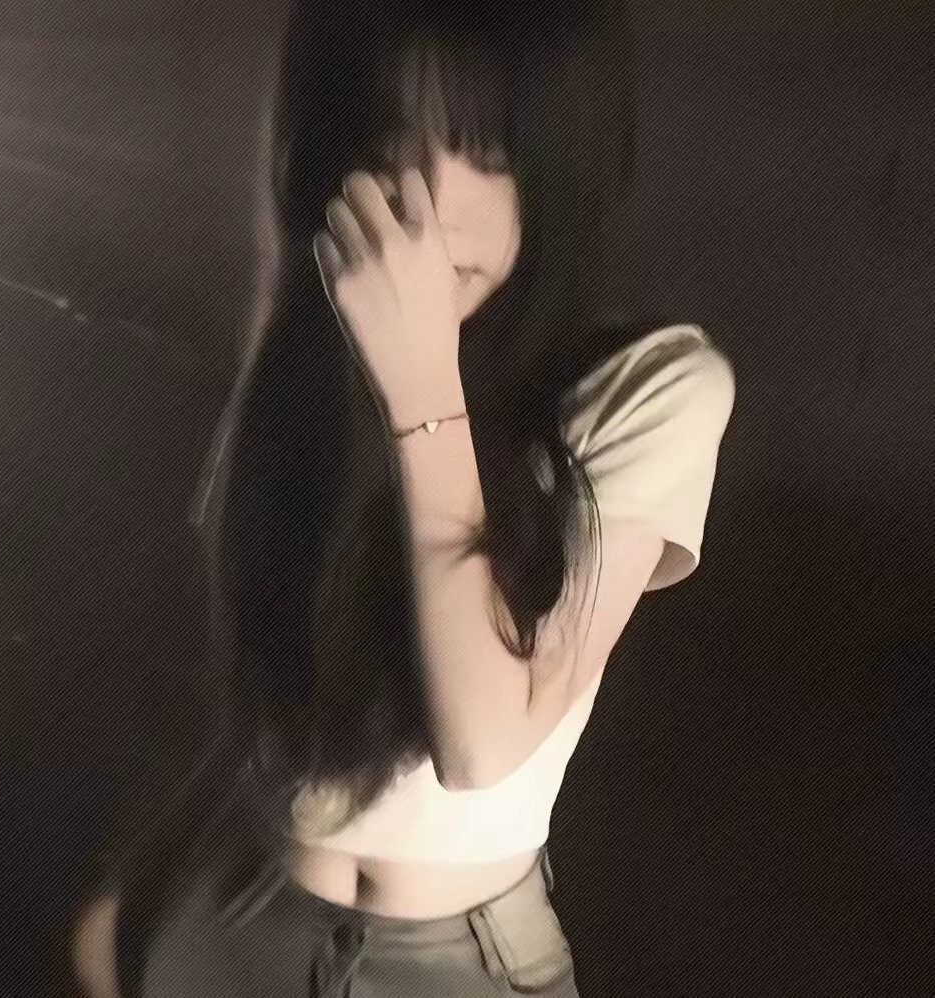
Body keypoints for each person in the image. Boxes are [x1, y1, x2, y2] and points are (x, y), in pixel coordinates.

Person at [69, 0, 737, 995]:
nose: (429, 200)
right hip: (240, 907)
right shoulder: (306, 346)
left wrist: (420, 382)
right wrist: (145, 894)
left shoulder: (652, 386)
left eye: (486, 150)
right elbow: (260, 680)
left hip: (452, 957)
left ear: (559, 159)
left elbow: (484, 741)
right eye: (387, 143)